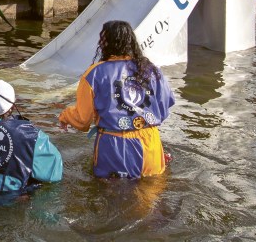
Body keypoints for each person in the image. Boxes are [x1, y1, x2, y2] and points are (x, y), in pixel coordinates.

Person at [59, 20, 175, 179]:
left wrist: (65, 116)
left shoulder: (94, 74)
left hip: (115, 147)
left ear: (104, 43)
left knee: (112, 198)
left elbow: (82, 119)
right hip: (151, 145)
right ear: (131, 42)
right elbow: (165, 108)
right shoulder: (152, 70)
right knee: (152, 198)